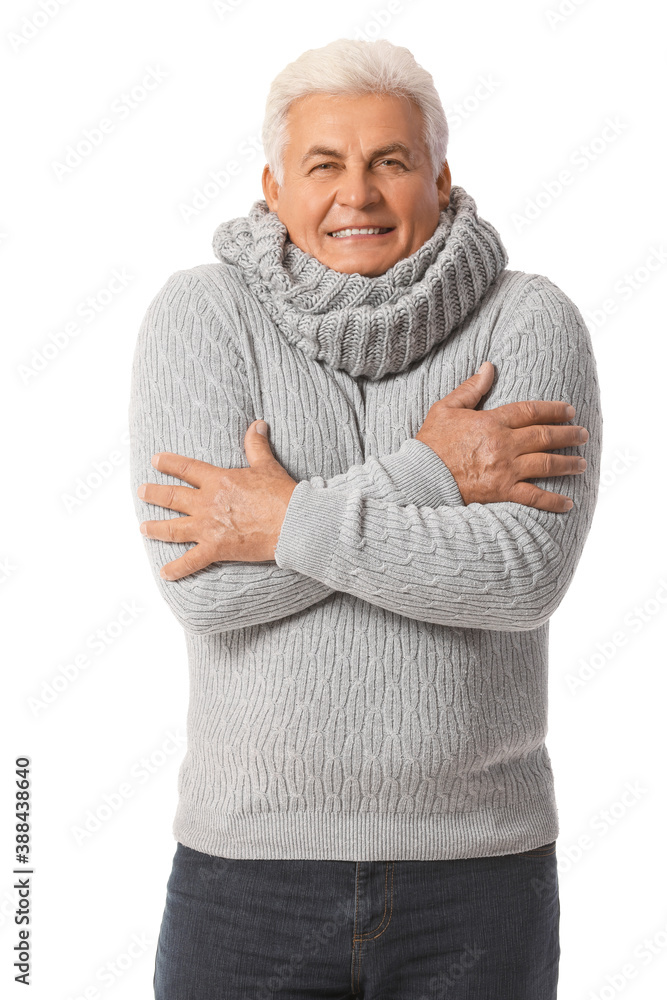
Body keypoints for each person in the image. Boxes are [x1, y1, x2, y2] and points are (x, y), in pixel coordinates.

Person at [128, 37, 601, 1000]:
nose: (359, 195)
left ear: (440, 174)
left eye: (390, 161)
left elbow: (520, 577)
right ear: (271, 185)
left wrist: (276, 516)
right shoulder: (200, 319)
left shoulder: (528, 322)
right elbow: (210, 587)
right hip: (245, 878)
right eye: (324, 165)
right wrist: (434, 470)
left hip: (480, 875)